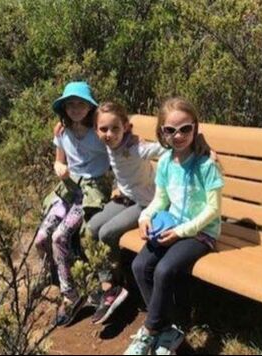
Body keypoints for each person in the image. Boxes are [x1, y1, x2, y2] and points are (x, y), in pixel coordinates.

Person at [125, 98, 224, 355]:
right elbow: (161, 199)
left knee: (164, 269)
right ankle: (169, 329)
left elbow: (213, 209)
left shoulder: (206, 164)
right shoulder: (167, 162)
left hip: (201, 232)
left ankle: (149, 331)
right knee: (139, 265)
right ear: (162, 133)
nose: (178, 136)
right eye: (170, 130)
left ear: (195, 128)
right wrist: (144, 218)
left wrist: (181, 232)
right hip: (173, 226)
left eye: (185, 129)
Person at [34, 81, 112, 327]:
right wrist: (59, 167)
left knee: (60, 236)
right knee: (41, 238)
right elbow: (60, 160)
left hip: (90, 191)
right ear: (64, 108)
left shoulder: (99, 133)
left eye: (81, 104)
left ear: (90, 107)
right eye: (71, 105)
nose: (76, 109)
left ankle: (71, 296)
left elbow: (119, 147)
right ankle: (58, 275)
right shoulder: (63, 132)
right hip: (69, 188)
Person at [85, 101, 167, 324]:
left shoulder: (134, 147)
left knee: (106, 234)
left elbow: (161, 147)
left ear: (126, 128)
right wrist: (60, 129)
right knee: (91, 228)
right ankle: (108, 283)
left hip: (144, 203)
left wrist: (199, 145)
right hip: (125, 197)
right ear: (96, 130)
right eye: (103, 129)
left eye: (115, 128)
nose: (109, 134)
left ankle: (117, 285)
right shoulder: (110, 145)